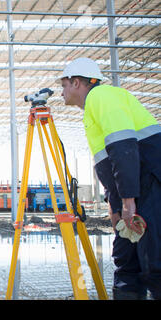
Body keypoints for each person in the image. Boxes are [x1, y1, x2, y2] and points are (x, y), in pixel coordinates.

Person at [60, 57, 161, 300]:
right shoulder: (92, 109)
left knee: (155, 263)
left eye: (63, 85)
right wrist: (116, 207)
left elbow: (123, 148)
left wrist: (128, 202)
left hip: (150, 184)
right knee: (127, 262)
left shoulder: (102, 96)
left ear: (76, 83)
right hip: (135, 188)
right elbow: (110, 164)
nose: (61, 92)